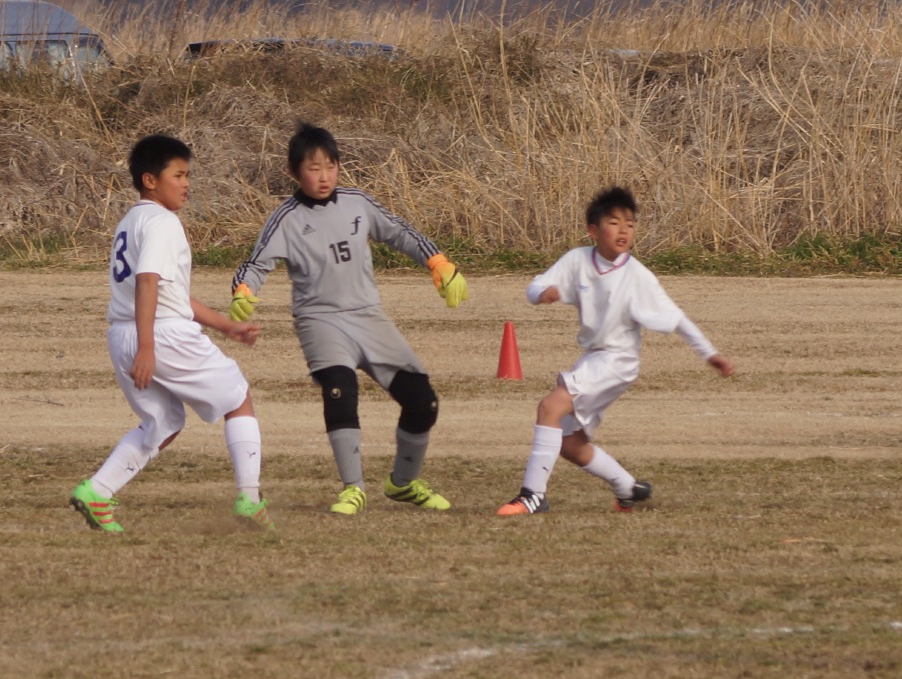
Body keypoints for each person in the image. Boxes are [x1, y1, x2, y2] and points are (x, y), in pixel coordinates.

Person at [230, 123, 466, 516]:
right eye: (313, 168)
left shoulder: (358, 203)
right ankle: (353, 488)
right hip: (320, 320)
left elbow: (400, 232)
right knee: (339, 389)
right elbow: (255, 264)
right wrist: (243, 290)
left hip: (369, 317)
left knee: (423, 402)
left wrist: (437, 262)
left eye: (330, 166)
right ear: (294, 172)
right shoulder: (286, 219)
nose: (323, 176)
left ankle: (404, 483)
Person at [70, 134, 272, 533]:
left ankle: (97, 491)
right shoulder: (163, 222)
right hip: (159, 335)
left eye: (187, 175)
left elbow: (170, 294)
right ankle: (250, 499)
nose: (186, 184)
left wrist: (226, 325)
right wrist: (148, 348)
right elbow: (148, 282)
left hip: (123, 334)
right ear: (150, 180)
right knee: (238, 398)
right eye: (178, 175)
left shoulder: (130, 221)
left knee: (162, 421)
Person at [496, 186, 736, 516]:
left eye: (630, 224)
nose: (624, 230)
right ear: (593, 231)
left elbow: (676, 317)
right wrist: (543, 294)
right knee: (569, 444)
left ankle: (532, 496)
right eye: (614, 222)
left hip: (618, 360)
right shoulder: (577, 260)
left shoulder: (638, 276)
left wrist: (710, 354)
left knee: (550, 407)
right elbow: (534, 286)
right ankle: (627, 488)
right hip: (594, 359)